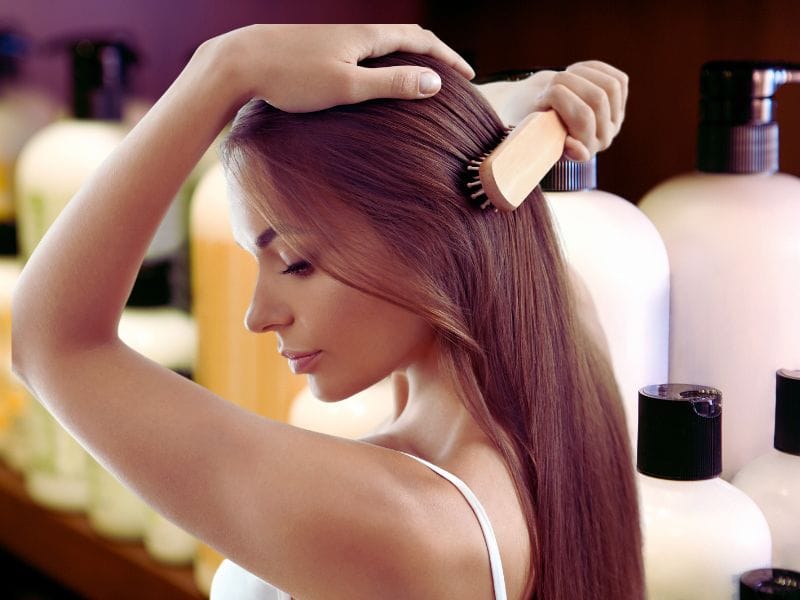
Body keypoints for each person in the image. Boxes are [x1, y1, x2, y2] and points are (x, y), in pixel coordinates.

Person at [12, 24, 640, 600]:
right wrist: (485, 115)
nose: (258, 316)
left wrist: (226, 65)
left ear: (426, 239)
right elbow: (450, 200)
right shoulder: (562, 337)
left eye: (295, 263)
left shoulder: (407, 528)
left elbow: (53, 343)